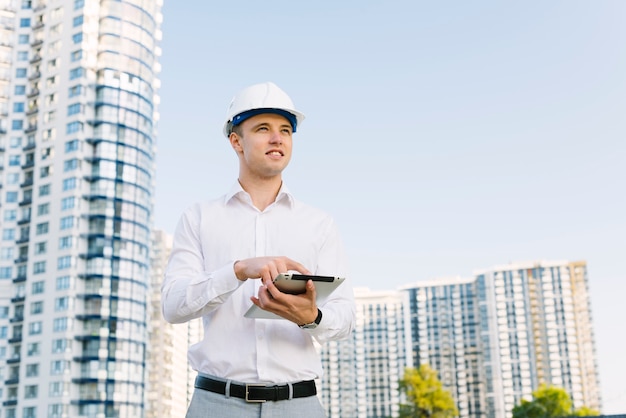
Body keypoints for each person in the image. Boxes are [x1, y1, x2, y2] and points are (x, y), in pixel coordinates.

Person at [161, 81, 356, 417]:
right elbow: (173, 306)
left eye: (285, 130)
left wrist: (311, 317)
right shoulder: (199, 218)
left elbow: (345, 317)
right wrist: (237, 270)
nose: (277, 138)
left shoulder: (319, 224)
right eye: (263, 128)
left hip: (300, 406)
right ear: (236, 141)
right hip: (216, 405)